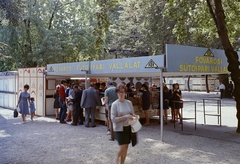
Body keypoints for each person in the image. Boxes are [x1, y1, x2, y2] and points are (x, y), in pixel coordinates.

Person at [111, 83, 135, 164]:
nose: (121, 94)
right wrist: (125, 117)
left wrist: (134, 116)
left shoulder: (129, 103)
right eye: (119, 92)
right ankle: (116, 158)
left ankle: (122, 163)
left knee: (126, 147)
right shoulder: (115, 104)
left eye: (122, 92)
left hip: (128, 127)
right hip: (119, 128)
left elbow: (132, 113)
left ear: (125, 93)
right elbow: (113, 119)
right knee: (122, 146)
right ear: (117, 93)